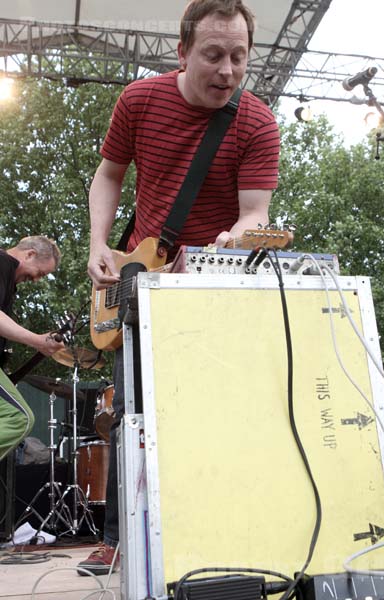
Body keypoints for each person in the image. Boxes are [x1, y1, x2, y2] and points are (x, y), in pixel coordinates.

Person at [79, 0, 280, 575]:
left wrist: (227, 242)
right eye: (213, 55)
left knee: (215, 407)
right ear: (181, 51)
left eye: (240, 57)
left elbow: (254, 215)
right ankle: (118, 538)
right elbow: (110, 173)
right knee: (128, 412)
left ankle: (213, 529)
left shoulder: (257, 122)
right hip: (138, 278)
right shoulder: (139, 100)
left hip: (213, 286)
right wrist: (99, 244)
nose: (227, 70)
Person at [0, 235, 64, 462]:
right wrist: (37, 340)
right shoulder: (3, 263)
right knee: (19, 417)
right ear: (30, 254)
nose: (37, 280)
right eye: (41, 273)